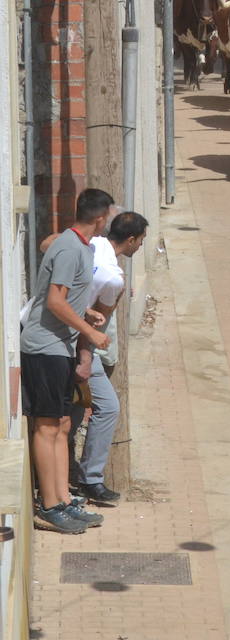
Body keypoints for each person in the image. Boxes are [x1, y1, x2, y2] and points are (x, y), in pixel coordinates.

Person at [21, 189, 114, 534]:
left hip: (59, 347)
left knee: (61, 424)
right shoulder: (69, 247)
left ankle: (63, 500)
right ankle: (49, 505)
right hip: (44, 348)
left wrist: (86, 311)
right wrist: (89, 333)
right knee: (47, 426)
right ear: (101, 217)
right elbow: (54, 301)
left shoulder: (78, 247)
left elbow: (66, 298)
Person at [67, 211, 148, 505]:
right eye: (140, 241)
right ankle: (91, 479)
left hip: (61, 336)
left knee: (74, 408)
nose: (139, 246)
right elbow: (97, 324)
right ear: (131, 240)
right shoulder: (114, 278)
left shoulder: (93, 243)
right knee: (107, 407)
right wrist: (85, 359)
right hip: (77, 343)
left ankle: (72, 473)